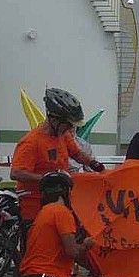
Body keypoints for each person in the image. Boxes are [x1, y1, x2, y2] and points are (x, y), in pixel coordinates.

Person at [9, 171, 107, 277]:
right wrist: (87, 244)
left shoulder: (45, 211)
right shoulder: (62, 213)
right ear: (67, 193)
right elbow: (73, 252)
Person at [11, 88, 105, 227]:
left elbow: (77, 154)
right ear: (54, 119)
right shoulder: (31, 142)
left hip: (60, 200)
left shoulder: (62, 135)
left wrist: (94, 163)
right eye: (68, 124)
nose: (70, 128)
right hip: (35, 204)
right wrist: (47, 177)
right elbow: (16, 173)